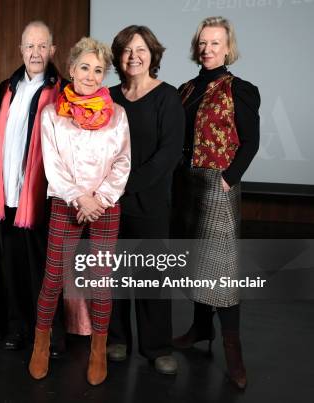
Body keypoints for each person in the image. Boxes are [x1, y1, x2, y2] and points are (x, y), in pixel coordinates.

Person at [28, 37, 131, 386]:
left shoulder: (117, 115)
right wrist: (78, 198)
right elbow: (52, 165)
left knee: (100, 283)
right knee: (54, 278)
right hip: (66, 203)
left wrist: (98, 198)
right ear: (71, 69)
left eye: (98, 70)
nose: (90, 75)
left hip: (105, 206)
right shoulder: (52, 115)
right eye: (84, 67)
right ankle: (40, 343)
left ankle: (98, 350)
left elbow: (122, 162)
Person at [172, 16, 260, 390]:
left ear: (227, 48)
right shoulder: (185, 89)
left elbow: (250, 142)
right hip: (185, 183)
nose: (207, 49)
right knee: (196, 259)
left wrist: (227, 179)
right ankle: (200, 328)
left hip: (217, 182)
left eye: (215, 43)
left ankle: (232, 347)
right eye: (203, 43)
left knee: (220, 267)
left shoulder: (240, 89)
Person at [105, 25, 184, 375]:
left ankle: (157, 347)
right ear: (118, 57)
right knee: (115, 275)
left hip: (149, 201)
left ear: (153, 54)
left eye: (140, 50)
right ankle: (117, 338)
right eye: (126, 51)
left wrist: (122, 185)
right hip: (111, 203)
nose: (134, 56)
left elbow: (168, 156)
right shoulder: (107, 97)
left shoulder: (167, 97)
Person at [0, 20, 66, 354]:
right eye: (29, 46)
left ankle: (48, 333)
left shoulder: (63, 90)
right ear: (21, 50)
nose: (35, 53)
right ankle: (18, 327)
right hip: (7, 194)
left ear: (52, 51)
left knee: (44, 271)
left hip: (40, 197)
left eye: (42, 46)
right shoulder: (6, 88)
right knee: (13, 269)